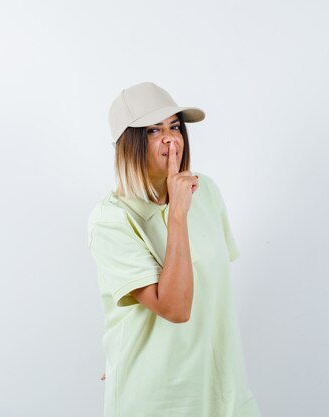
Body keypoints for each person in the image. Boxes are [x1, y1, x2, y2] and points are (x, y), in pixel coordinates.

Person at [87, 81, 262, 417]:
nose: (171, 138)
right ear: (127, 143)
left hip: (221, 390)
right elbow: (177, 309)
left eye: (175, 127)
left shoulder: (206, 191)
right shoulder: (111, 220)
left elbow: (213, 294)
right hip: (159, 399)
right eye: (154, 130)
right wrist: (177, 213)